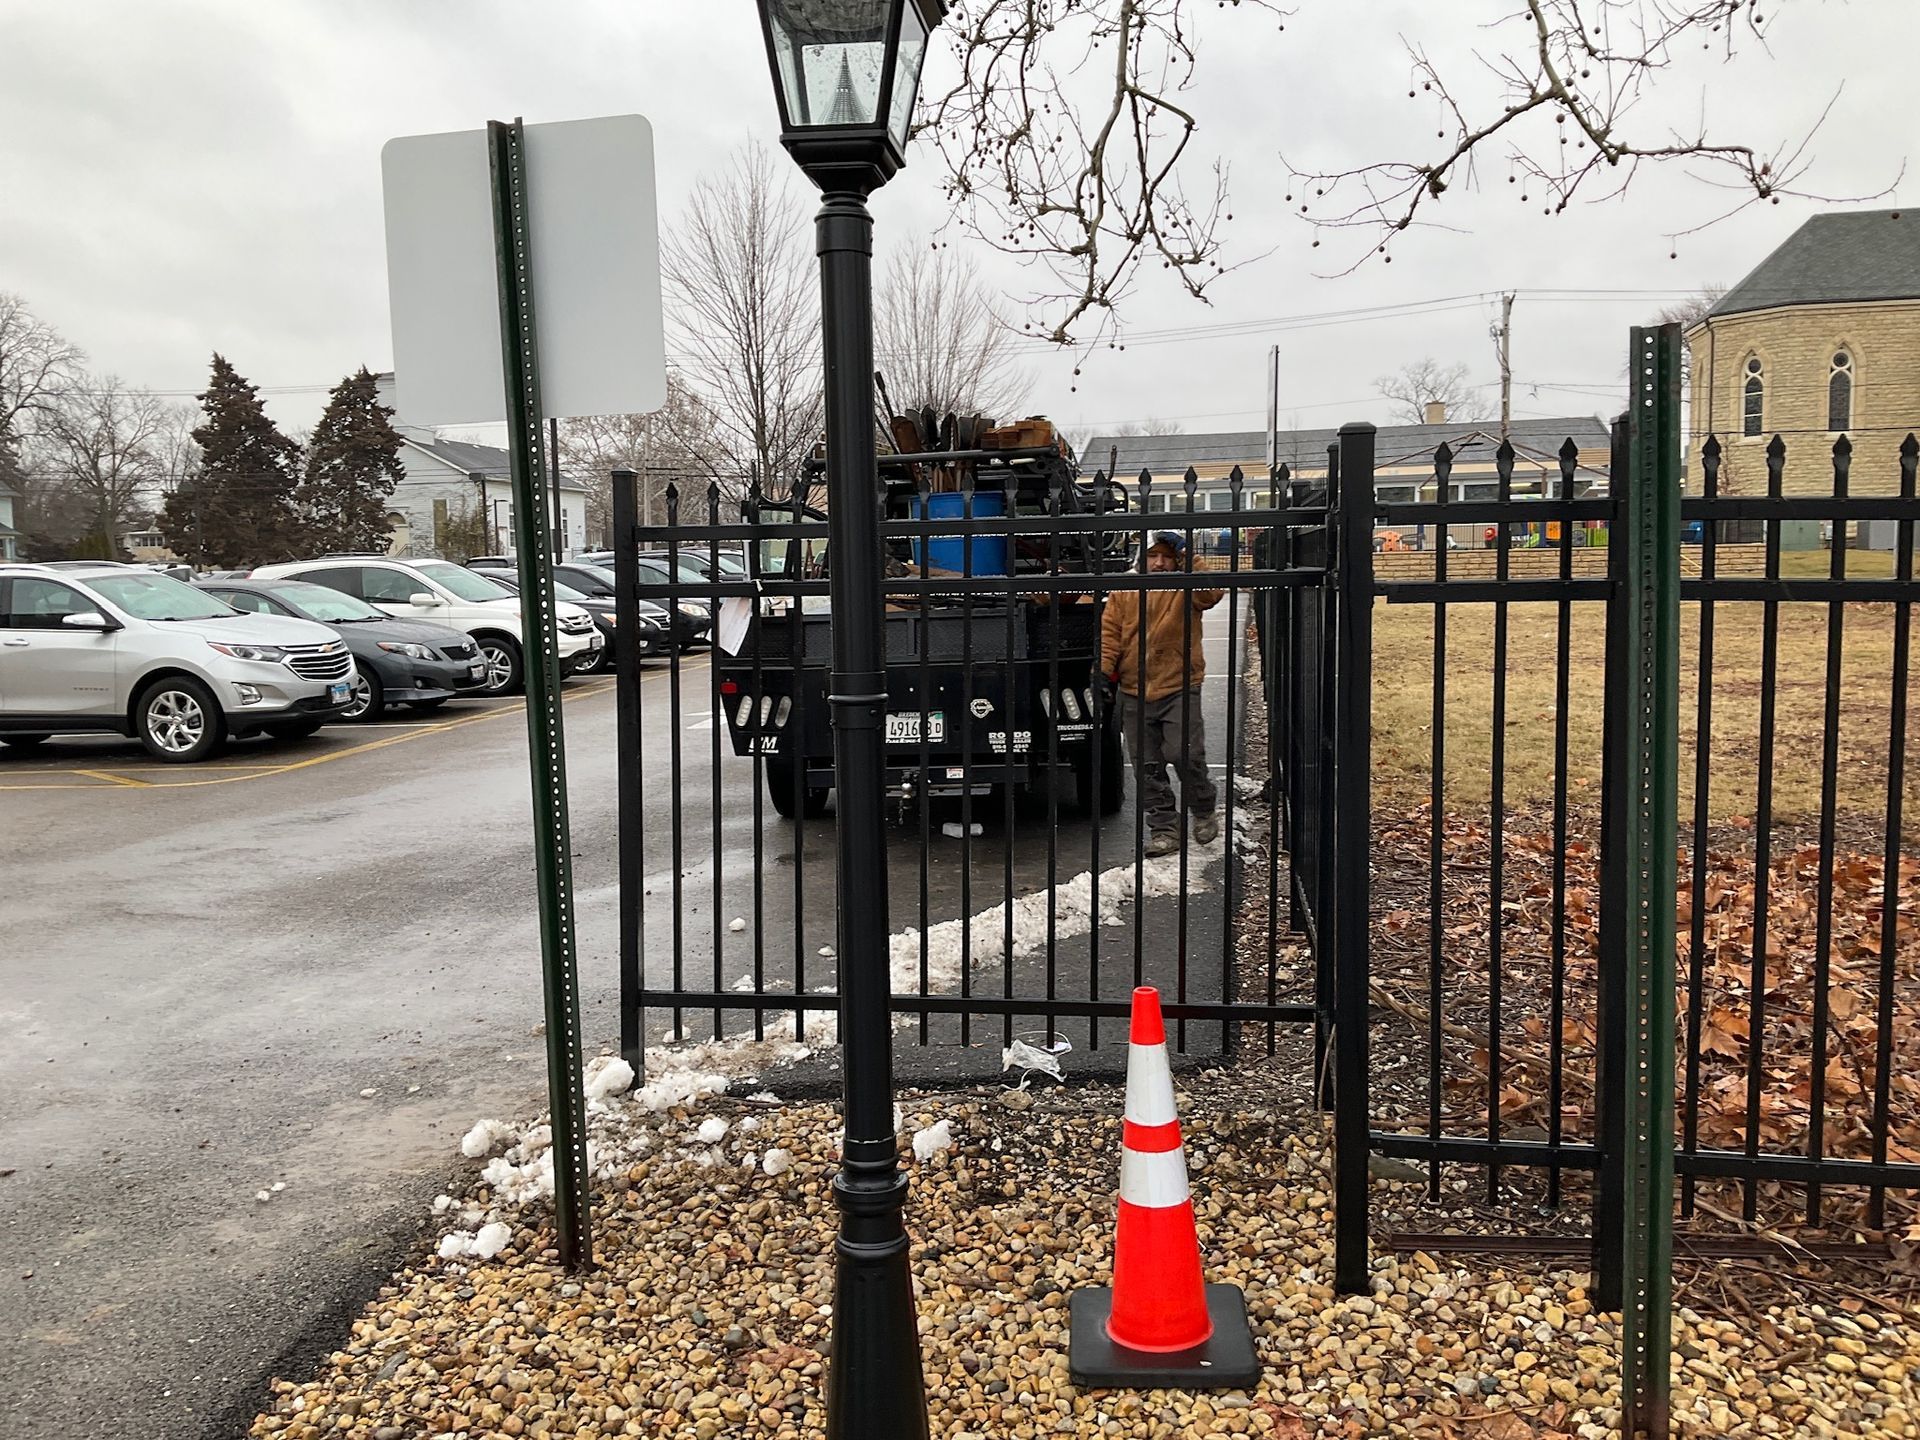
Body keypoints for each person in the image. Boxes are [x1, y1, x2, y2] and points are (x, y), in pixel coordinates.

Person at [1099, 531, 1223, 856]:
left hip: (1178, 685)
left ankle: (1203, 808)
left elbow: (1212, 592)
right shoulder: (1125, 590)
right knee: (1147, 765)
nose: (1159, 563)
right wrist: (1101, 671)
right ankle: (1165, 829)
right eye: (1153, 556)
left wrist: (1188, 553)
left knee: (1185, 754)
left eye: (1166, 556)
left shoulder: (1187, 586)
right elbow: (1110, 632)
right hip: (1133, 690)